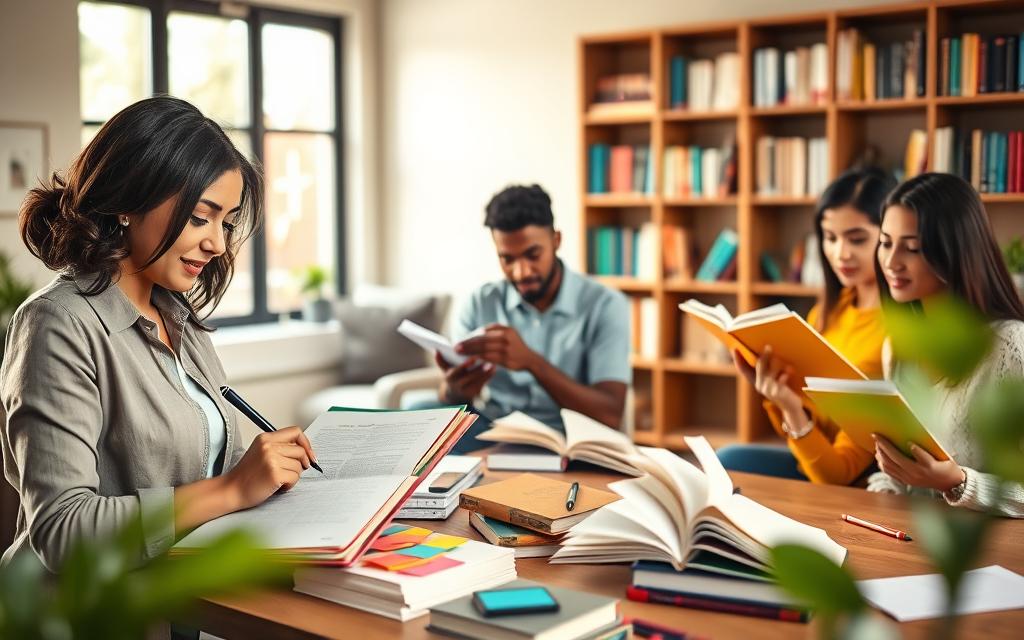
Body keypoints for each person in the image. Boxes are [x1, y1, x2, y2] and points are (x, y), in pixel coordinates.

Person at [0, 96, 319, 579]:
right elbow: (62, 533)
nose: (217, 243)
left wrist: (272, 472)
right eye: (199, 217)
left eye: (226, 222)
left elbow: (209, 462)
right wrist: (233, 488)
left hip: (187, 599)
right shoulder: (57, 324)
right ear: (130, 200)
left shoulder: (178, 317)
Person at [717, 168, 894, 483]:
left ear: (889, 237)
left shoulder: (893, 334)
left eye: (857, 239)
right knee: (725, 461)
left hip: (848, 480)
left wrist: (792, 411)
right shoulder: (827, 312)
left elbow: (837, 475)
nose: (841, 253)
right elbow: (803, 425)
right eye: (830, 238)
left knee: (730, 464)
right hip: (810, 457)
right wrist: (778, 395)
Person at [867, 172, 1024, 517]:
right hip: (911, 541)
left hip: (989, 554)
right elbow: (900, 480)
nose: (891, 262)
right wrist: (887, 486)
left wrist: (958, 483)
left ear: (955, 250)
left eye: (912, 248)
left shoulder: (1011, 346)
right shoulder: (898, 345)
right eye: (885, 242)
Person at [433, 184, 631, 453]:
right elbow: (451, 398)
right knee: (418, 421)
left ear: (556, 241)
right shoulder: (480, 302)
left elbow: (610, 415)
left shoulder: (605, 305)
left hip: (571, 438)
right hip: (493, 430)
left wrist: (531, 363)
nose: (521, 272)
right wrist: (454, 389)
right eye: (507, 259)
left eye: (532, 255)